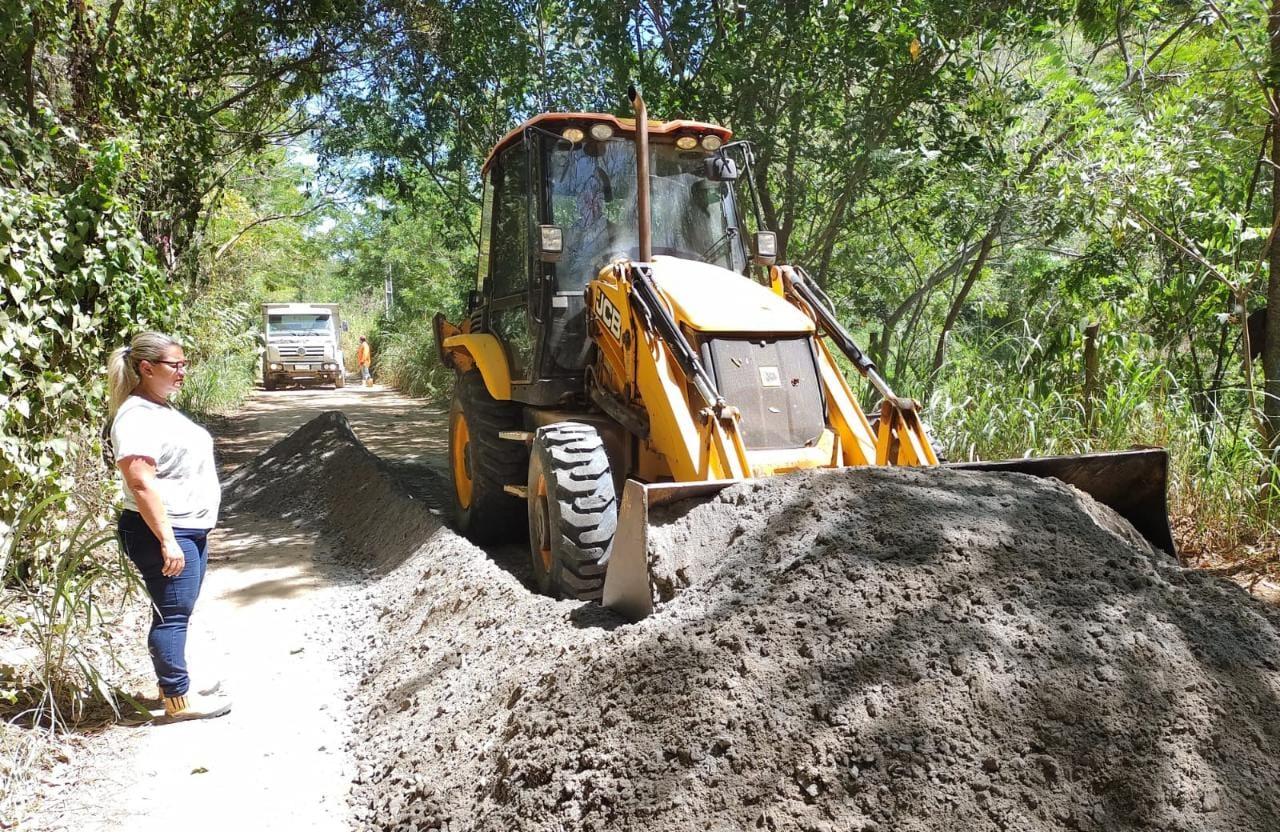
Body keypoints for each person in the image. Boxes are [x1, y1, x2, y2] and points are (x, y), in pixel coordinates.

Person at [107, 332, 231, 722]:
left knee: (176, 609)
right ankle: (179, 701)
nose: (182, 372)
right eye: (175, 365)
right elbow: (140, 482)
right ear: (146, 368)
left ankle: (171, 684)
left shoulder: (158, 408)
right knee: (173, 613)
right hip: (162, 530)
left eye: (184, 364)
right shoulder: (136, 416)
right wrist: (167, 540)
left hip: (186, 526)